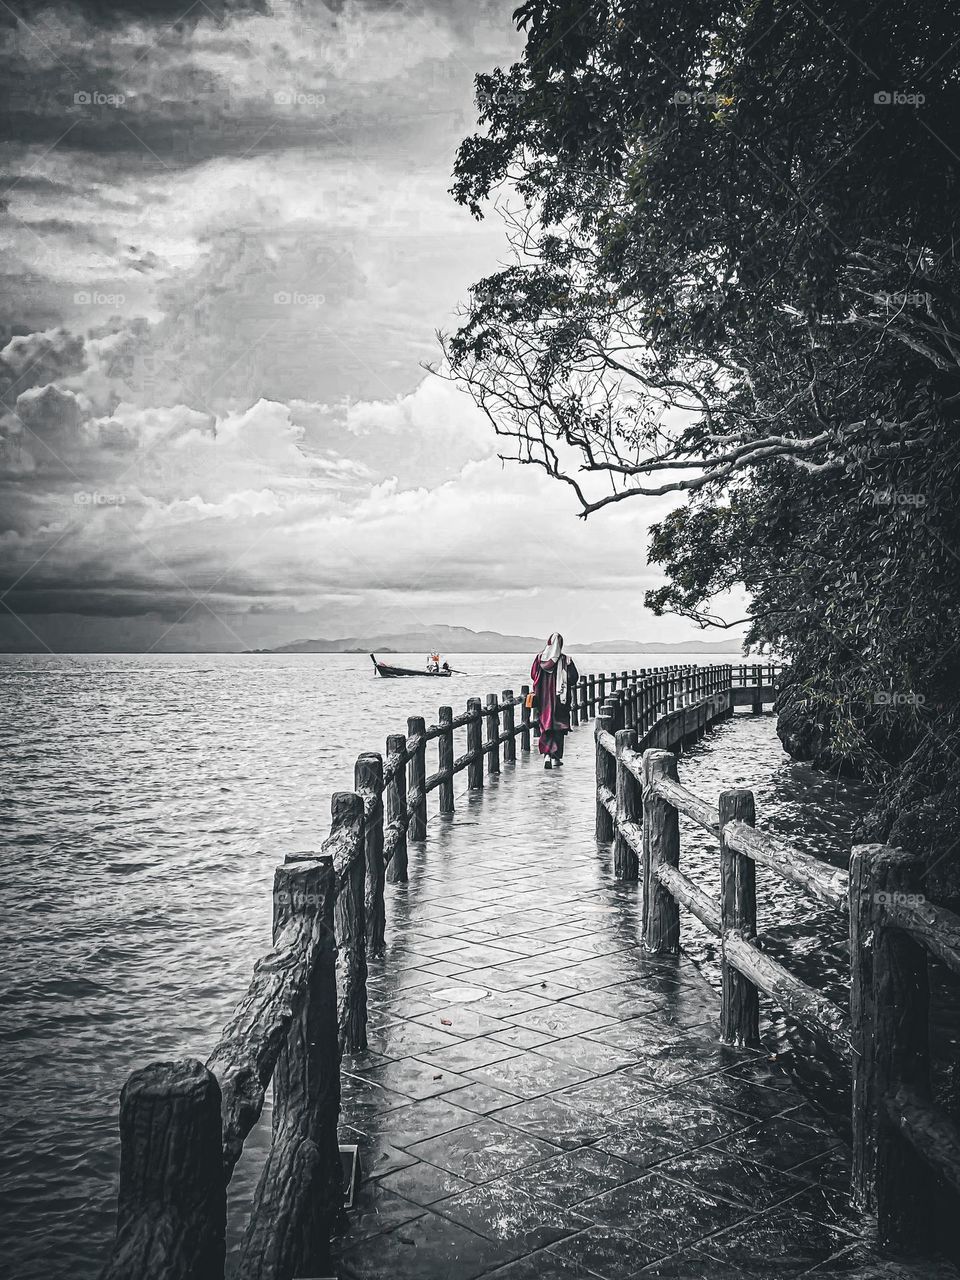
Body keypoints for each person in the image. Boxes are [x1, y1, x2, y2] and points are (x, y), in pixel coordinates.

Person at [531, 632, 579, 768]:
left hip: (543, 700)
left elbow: (533, 674)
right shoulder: (565, 660)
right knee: (558, 727)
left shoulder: (539, 659)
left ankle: (546, 756)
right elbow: (573, 679)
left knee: (546, 727)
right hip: (560, 701)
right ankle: (555, 758)